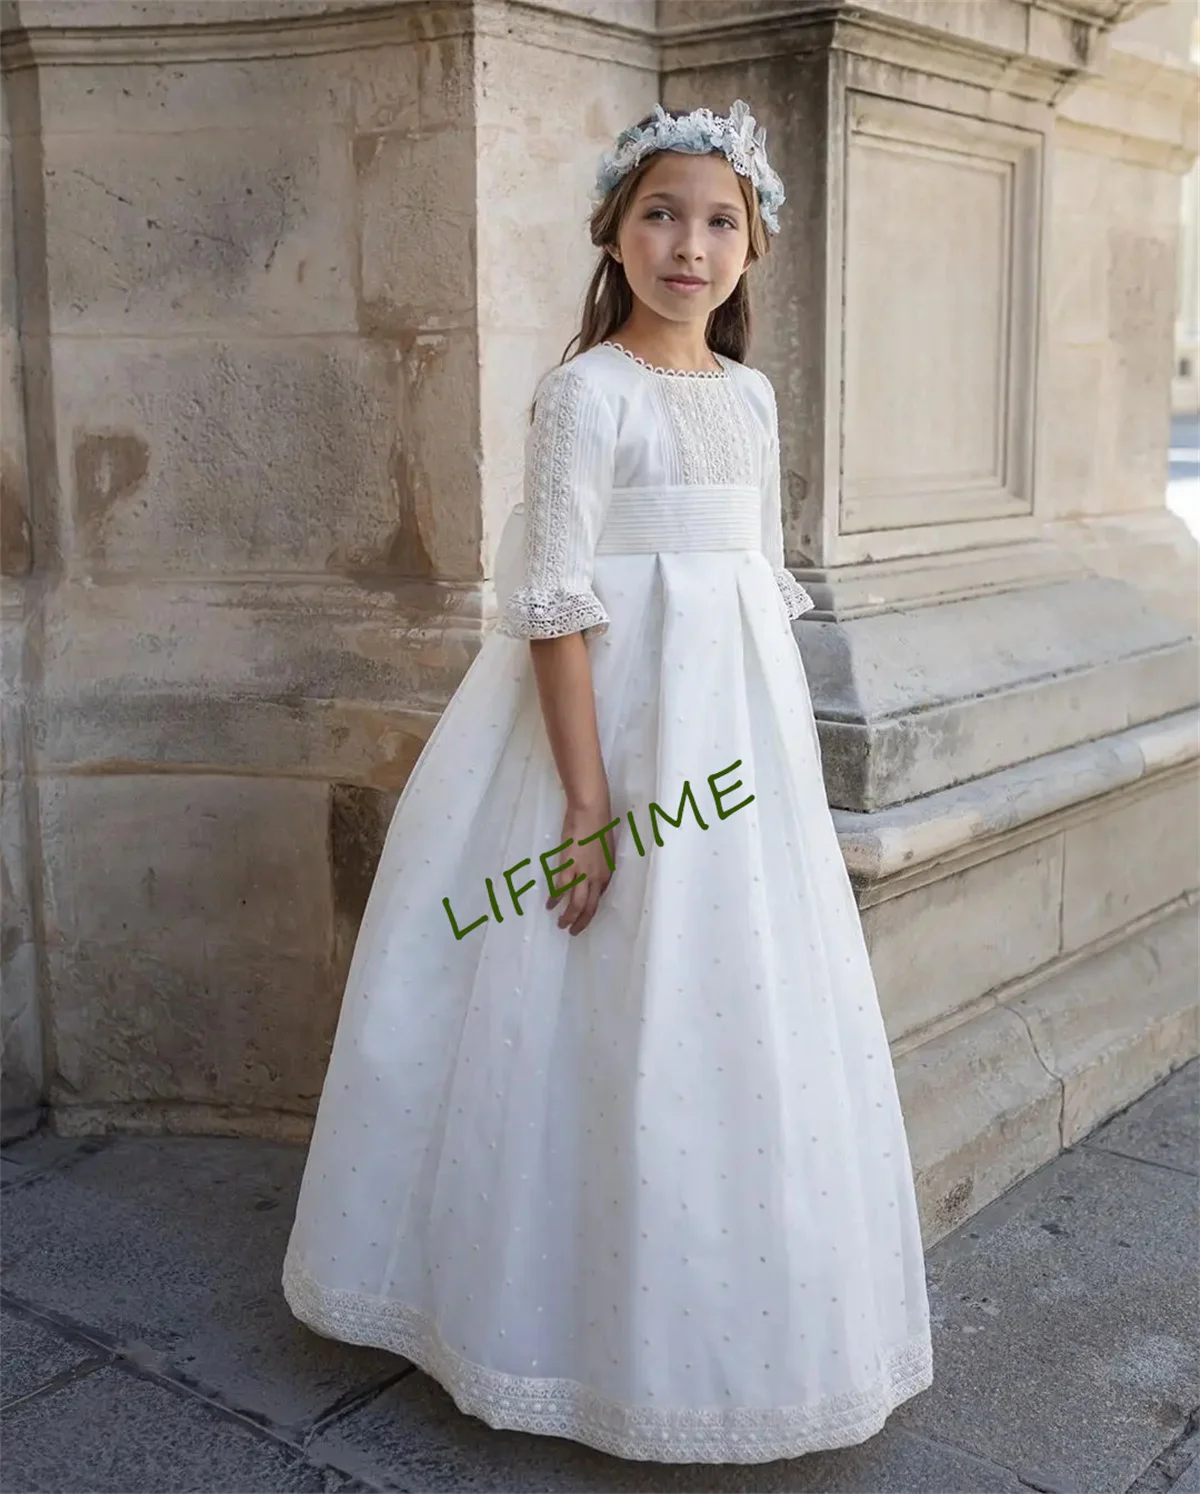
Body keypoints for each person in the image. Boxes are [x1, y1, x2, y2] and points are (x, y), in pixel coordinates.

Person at [282, 99, 933, 1464]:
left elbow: (749, 597)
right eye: (660, 214)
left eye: (716, 221)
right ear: (611, 231)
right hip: (600, 739)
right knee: (573, 997)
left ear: (751, 246)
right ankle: (529, 1317)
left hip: (732, 758)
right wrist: (587, 804)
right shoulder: (585, 396)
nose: (687, 245)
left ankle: (710, 1338)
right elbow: (557, 604)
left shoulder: (747, 400)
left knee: (720, 1005)